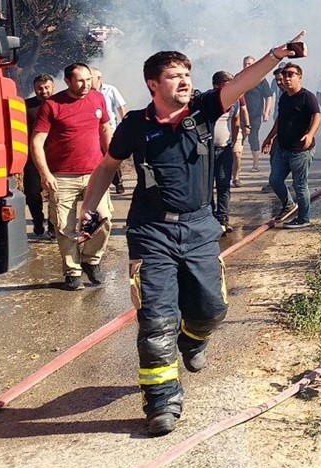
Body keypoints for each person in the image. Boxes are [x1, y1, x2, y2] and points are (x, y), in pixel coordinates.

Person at [78, 33, 308, 436]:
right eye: (174, 76)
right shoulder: (134, 125)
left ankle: (194, 338)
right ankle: (161, 403)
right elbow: (107, 167)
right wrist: (88, 209)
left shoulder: (202, 111)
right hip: (150, 232)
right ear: (153, 84)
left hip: (201, 226)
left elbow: (242, 82)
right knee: (155, 320)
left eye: (187, 74)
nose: (184, 81)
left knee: (212, 308)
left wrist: (277, 53)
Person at [30, 63, 113, 291]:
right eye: (80, 80)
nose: (86, 84)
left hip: (95, 173)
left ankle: (91, 260)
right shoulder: (51, 105)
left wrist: (112, 160)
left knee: (103, 220)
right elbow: (37, 142)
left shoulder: (97, 99)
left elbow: (105, 129)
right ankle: (72, 272)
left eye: (88, 79)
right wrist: (45, 174)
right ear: (67, 81)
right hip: (62, 177)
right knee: (65, 227)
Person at [262, 61, 321, 228]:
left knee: (300, 184)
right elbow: (280, 119)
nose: (287, 78)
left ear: (299, 77)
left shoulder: (307, 97)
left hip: (300, 150)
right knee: (275, 180)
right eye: (285, 74)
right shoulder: (284, 97)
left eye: (291, 75)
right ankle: (288, 204)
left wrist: (310, 134)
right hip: (283, 148)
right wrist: (269, 137)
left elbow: (317, 115)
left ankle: (304, 218)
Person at [210, 71, 245, 235]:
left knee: (224, 185)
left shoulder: (235, 102)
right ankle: (208, 218)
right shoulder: (206, 101)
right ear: (216, 85)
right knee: (207, 186)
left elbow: (236, 120)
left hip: (224, 149)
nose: (232, 87)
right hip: (206, 151)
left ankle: (223, 218)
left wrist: (234, 139)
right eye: (228, 83)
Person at [24, 74, 56, 241]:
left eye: (46, 87)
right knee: (32, 193)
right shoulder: (25, 106)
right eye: (39, 88)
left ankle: (52, 226)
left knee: (54, 193)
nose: (43, 91)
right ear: (34, 88)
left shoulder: (60, 104)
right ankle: (37, 221)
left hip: (56, 156)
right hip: (32, 157)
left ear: (53, 87)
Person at [92, 68, 128, 194]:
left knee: (111, 155)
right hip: (92, 130)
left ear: (99, 78)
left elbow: (120, 107)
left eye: (91, 78)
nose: (89, 81)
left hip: (110, 128)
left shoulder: (110, 90)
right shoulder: (86, 93)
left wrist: (125, 125)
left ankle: (118, 182)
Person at [238, 55, 271, 177]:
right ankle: (237, 166)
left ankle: (255, 165)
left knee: (253, 137)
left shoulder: (260, 79)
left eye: (250, 64)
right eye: (245, 64)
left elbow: (268, 96)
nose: (247, 66)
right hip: (240, 114)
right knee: (238, 139)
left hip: (255, 114)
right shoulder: (239, 77)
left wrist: (266, 111)